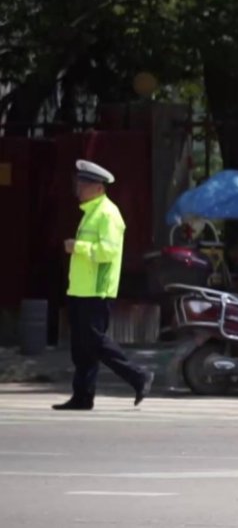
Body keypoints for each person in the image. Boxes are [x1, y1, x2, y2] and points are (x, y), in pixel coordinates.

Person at [53, 160, 153, 411]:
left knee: (95, 342)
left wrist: (78, 247)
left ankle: (138, 375)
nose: (79, 189)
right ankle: (82, 396)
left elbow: (108, 251)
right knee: (81, 346)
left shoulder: (108, 213)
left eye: (84, 185)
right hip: (80, 289)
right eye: (78, 184)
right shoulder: (91, 212)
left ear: (99, 188)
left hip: (96, 290)